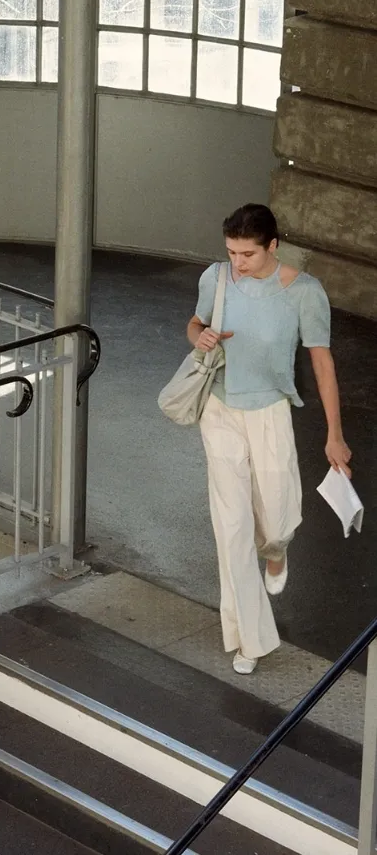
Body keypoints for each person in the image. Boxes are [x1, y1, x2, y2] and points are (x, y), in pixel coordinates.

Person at [187, 203, 352, 675]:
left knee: (278, 519)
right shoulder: (215, 278)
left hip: (271, 413)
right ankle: (249, 640)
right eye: (232, 252)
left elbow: (323, 365)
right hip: (219, 410)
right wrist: (198, 337)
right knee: (232, 528)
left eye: (248, 254)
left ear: (273, 246)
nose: (238, 263)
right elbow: (195, 324)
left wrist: (334, 435)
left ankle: (277, 552)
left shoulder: (304, 293)